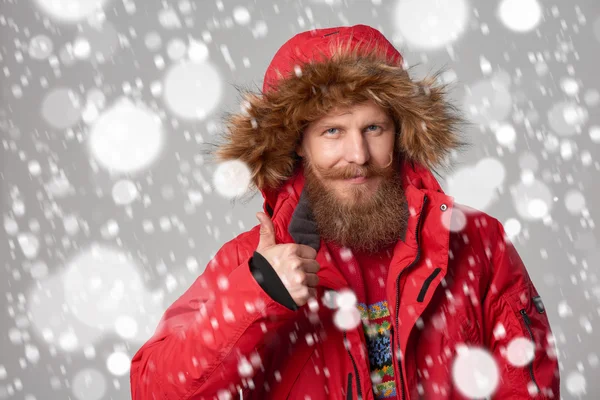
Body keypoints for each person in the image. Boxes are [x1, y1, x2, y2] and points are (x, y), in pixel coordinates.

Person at [130, 24, 560, 400]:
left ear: (399, 131)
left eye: (373, 128)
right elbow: (154, 390)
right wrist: (257, 293)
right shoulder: (250, 263)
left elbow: (528, 385)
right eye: (332, 132)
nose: (358, 154)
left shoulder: (477, 242)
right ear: (299, 143)